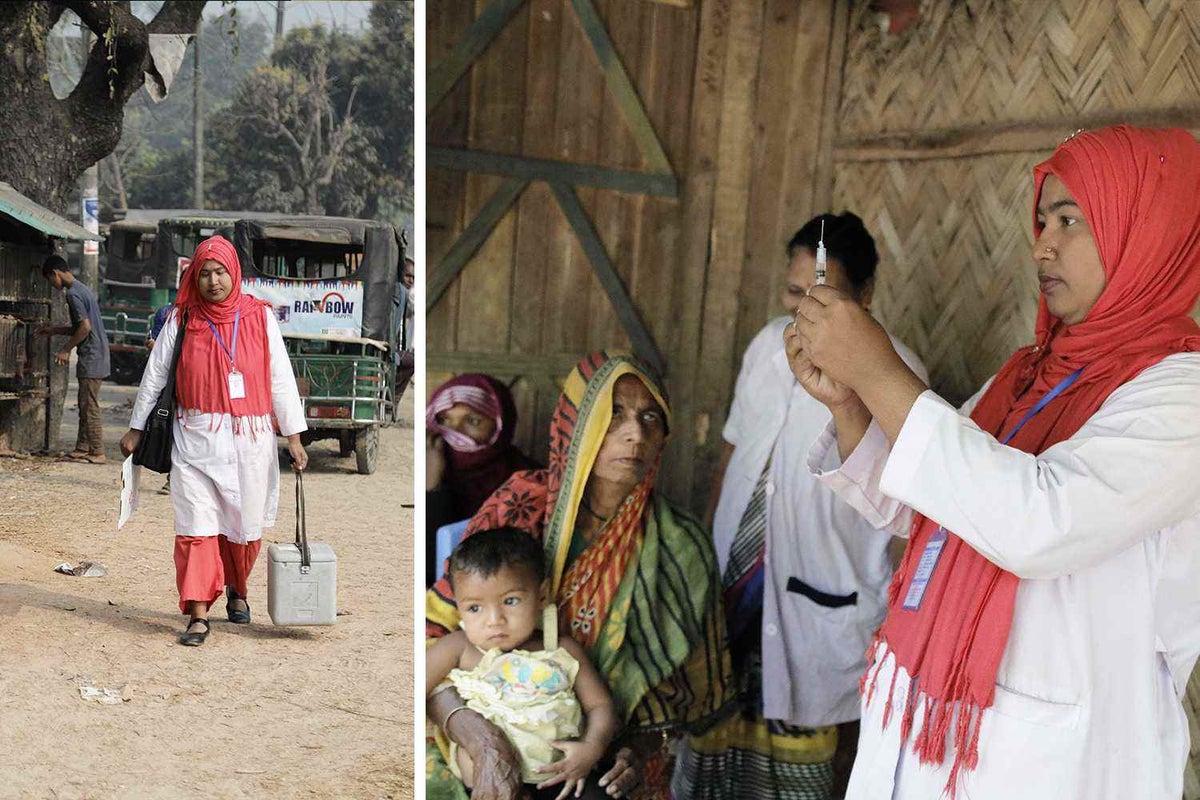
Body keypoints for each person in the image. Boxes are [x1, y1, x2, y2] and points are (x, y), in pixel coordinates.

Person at [785, 124, 1200, 799]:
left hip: (1057, 754)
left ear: (1144, 229)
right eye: (1042, 219)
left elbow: (1036, 522)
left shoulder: (1183, 396)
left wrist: (880, 372)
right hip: (931, 724)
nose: (1043, 244)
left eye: (1070, 219)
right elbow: (940, 506)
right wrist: (853, 407)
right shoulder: (1028, 375)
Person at [672, 214, 927, 800]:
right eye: (793, 293)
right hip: (737, 577)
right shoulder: (767, 346)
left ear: (864, 295)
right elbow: (735, 453)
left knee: (803, 752)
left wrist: (891, 611)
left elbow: (903, 509)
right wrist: (712, 557)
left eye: (823, 295)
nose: (803, 311)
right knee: (715, 723)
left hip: (826, 588)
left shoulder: (898, 371)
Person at [426, 352, 733, 800]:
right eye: (614, 415)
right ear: (577, 424)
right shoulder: (522, 501)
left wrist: (632, 746)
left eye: (650, 417)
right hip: (478, 734)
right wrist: (482, 739)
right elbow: (436, 635)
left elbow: (689, 693)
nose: (636, 434)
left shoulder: (681, 545)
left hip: (599, 761)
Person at [119, 236, 308, 647]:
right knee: (195, 527)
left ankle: (237, 589)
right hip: (195, 438)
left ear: (234, 273)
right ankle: (198, 612)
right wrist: (136, 428)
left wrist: (293, 436)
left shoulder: (259, 317)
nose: (213, 280)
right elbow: (155, 376)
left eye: (220, 271)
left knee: (244, 529)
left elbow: (280, 379)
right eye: (204, 273)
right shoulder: (182, 318)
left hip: (251, 441)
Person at [426, 526, 618, 800]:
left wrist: (591, 747)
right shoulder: (459, 648)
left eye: (511, 601)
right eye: (475, 608)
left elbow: (601, 705)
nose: (494, 619)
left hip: (561, 778)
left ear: (541, 597)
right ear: (459, 608)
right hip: (486, 786)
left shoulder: (562, 651)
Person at [426, 374, 539, 586]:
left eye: (473, 421)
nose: (454, 432)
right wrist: (432, 489)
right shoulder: (427, 469)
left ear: (500, 427)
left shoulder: (530, 481)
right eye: (444, 420)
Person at [37, 255, 111, 464]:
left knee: (89, 405)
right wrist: (55, 330)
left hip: (92, 356)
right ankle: (83, 447)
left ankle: (97, 451)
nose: (52, 285)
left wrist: (65, 350)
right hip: (96, 353)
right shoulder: (82, 288)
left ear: (55, 273)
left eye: (50, 280)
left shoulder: (73, 294)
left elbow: (85, 328)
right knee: (83, 402)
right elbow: (81, 325)